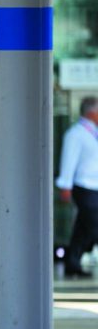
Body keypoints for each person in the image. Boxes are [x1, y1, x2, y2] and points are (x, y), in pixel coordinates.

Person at [56, 96, 98, 279]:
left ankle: (73, 263)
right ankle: (73, 260)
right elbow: (68, 160)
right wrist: (65, 185)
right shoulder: (75, 134)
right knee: (91, 224)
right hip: (83, 185)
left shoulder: (93, 132)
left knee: (83, 226)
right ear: (91, 112)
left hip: (94, 185)